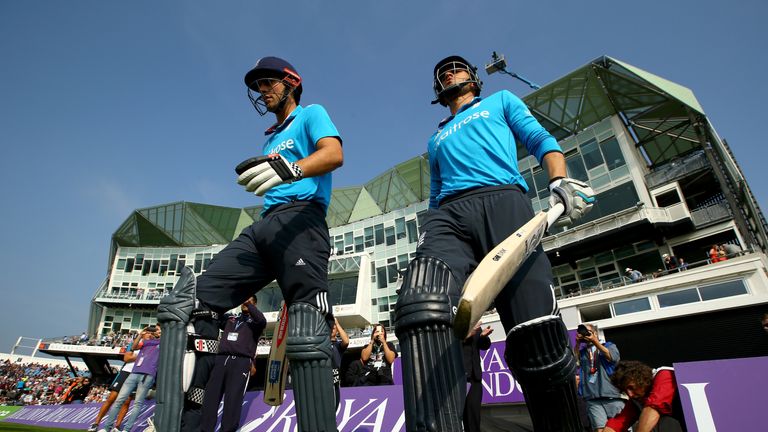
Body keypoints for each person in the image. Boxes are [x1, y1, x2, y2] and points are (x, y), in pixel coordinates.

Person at [393, 55, 595, 431]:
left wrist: (559, 181)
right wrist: (431, 228)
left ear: (472, 78)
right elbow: (435, 194)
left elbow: (541, 140)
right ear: (438, 90)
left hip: (504, 202)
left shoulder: (500, 101)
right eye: (442, 73)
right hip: (449, 216)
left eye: (457, 68)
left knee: (536, 333)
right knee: (421, 302)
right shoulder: (435, 138)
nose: (449, 73)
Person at [155, 56, 344, 432]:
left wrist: (291, 168)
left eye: (269, 82)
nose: (263, 90)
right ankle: (186, 419)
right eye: (258, 86)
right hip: (264, 227)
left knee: (308, 319)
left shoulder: (311, 114)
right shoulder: (271, 137)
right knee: (194, 305)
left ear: (292, 82)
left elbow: (334, 154)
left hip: (301, 219)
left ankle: (323, 416)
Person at [200, 296, 266, 432]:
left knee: (233, 399)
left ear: (254, 303)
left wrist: (250, 305)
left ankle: (227, 430)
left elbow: (261, 320)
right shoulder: (232, 319)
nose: (246, 302)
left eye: (249, 300)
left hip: (241, 362)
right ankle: (205, 429)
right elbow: (218, 317)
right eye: (244, 299)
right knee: (211, 397)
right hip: (221, 360)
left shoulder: (255, 322)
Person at [87, 327, 154, 431]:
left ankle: (117, 426)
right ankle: (96, 423)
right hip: (126, 372)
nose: (149, 335)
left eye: (151, 333)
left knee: (127, 401)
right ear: (143, 334)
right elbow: (126, 358)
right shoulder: (136, 344)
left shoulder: (153, 345)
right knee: (112, 398)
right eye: (147, 333)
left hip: (138, 373)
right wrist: (143, 356)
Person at [604, 361, 686, 432]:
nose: (630, 394)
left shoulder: (665, 375)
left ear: (640, 378)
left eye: (631, 387)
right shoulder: (638, 398)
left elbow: (653, 408)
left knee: (659, 422)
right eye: (625, 391)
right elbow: (618, 423)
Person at [575, 324, 623, 432]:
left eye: (587, 331)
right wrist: (577, 343)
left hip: (612, 395)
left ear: (595, 333)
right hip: (592, 398)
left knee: (620, 428)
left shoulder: (609, 345)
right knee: (599, 429)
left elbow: (613, 357)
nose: (584, 334)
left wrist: (595, 341)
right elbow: (574, 362)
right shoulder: (582, 353)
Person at [462, 322, 493, 432]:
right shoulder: (455, 322)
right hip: (459, 377)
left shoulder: (475, 323)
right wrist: (465, 336)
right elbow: (448, 343)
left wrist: (483, 337)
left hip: (475, 377)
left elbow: (484, 346)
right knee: (456, 415)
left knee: (474, 416)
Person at [330, 317, 349, 407]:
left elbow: (346, 341)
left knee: (334, 408)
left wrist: (336, 323)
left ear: (337, 331)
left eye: (334, 328)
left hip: (334, 382)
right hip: (322, 381)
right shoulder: (321, 344)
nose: (332, 328)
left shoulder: (338, 345)